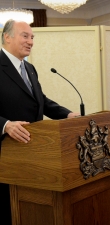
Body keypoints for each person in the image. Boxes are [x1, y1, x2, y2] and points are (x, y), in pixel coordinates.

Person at [0, 20, 79, 225]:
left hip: (35, 153)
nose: (30, 41)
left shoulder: (30, 68)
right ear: (7, 37)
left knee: (31, 208)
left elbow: (41, 101)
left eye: (32, 37)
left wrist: (68, 115)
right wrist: (5, 124)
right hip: (5, 155)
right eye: (25, 36)